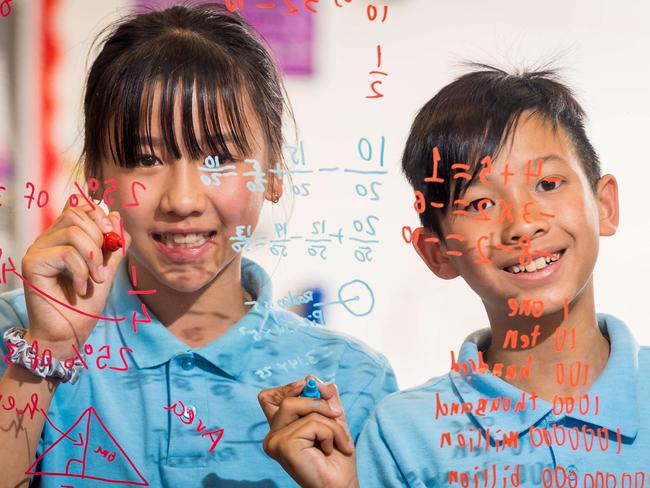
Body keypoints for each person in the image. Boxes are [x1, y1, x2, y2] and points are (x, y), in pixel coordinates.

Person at [0, 4, 397, 487]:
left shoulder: (351, 379)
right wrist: (49, 349)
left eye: (218, 157)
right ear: (99, 179)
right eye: (145, 158)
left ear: (272, 174)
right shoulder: (21, 332)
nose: (182, 200)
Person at [259, 65, 650, 487]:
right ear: (439, 253)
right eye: (481, 204)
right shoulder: (404, 436)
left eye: (548, 183)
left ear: (605, 205)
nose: (522, 223)